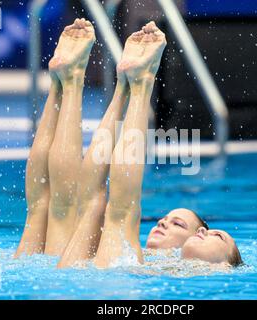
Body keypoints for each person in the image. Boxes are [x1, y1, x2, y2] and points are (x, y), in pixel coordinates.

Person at [15, 18, 242, 269]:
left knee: (67, 207)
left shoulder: (205, 272)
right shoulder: (142, 259)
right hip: (65, 278)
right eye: (166, 220)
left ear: (223, 264)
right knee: (69, 206)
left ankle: (95, 81)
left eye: (178, 224)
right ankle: (81, 79)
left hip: (69, 279)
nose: (163, 223)